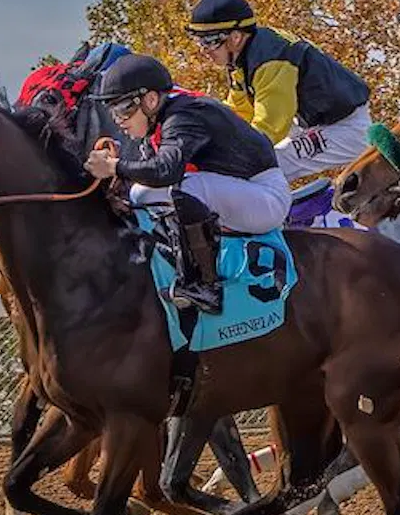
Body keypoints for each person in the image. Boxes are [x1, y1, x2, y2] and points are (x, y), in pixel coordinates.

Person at [89, 52, 288, 320]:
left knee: (186, 187)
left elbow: (166, 171)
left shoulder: (183, 116)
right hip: (243, 192)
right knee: (140, 192)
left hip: (266, 198)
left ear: (150, 99)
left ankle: (203, 284)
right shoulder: (162, 119)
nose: (118, 120)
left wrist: (114, 167)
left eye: (123, 108)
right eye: (111, 111)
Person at [186, 0, 377, 192]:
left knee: (258, 166)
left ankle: (272, 220)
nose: (203, 50)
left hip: (345, 130)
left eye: (210, 41)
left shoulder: (270, 61)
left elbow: (268, 128)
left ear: (235, 37)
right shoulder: (244, 56)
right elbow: (239, 111)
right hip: (316, 124)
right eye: (199, 41)